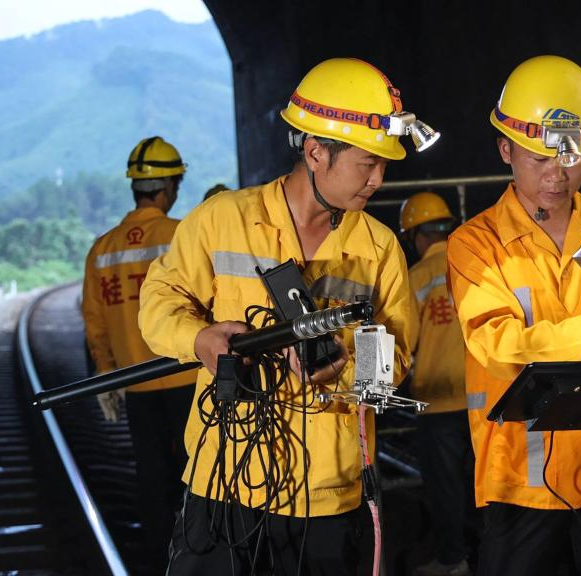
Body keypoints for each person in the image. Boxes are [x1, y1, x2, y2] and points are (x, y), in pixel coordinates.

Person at [138, 58, 430, 576]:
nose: (378, 180)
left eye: (384, 165)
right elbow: (159, 304)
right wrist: (199, 339)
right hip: (225, 485)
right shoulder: (222, 220)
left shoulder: (378, 248)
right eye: (367, 164)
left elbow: (394, 360)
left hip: (329, 499)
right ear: (316, 152)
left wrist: (342, 369)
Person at [446, 55, 581, 576]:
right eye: (539, 158)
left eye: (572, 157)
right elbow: (498, 343)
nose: (558, 175)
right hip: (523, 480)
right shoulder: (477, 244)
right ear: (505, 150)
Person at [81, 135, 196, 573]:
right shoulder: (183, 235)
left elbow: (94, 320)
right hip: (188, 376)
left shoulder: (103, 249)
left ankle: (156, 559)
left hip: (135, 383)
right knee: (197, 472)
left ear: (136, 187)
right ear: (168, 187)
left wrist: (105, 374)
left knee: (150, 475)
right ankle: (198, 555)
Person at [400, 192, 475, 576]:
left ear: (416, 235)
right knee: (483, 484)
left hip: (436, 401)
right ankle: (490, 557)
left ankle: (453, 560)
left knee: (446, 489)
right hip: (484, 400)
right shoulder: (473, 265)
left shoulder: (415, 278)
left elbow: (403, 343)